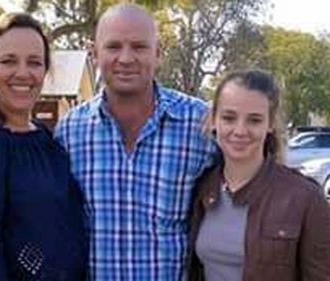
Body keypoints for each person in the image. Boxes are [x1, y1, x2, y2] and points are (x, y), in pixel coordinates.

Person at [54, 3, 216, 280]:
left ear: (158, 53)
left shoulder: (200, 124)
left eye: (139, 46)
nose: (126, 58)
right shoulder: (70, 132)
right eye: (113, 46)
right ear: (94, 54)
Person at [0, 13, 87, 281]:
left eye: (34, 62)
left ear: (45, 72)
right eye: (9, 61)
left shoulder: (48, 141)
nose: (23, 73)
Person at [188, 70, 330, 281]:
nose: (240, 130)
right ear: (214, 120)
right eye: (229, 117)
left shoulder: (306, 198)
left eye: (254, 120)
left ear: (270, 124)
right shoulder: (202, 189)